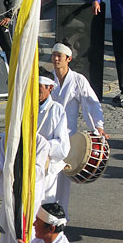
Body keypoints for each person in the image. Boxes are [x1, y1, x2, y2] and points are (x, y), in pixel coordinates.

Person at [49, 41, 108, 217]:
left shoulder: (78, 80)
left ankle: (60, 217)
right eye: (54, 55)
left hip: (68, 138)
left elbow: (91, 103)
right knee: (46, 178)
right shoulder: (46, 79)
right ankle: (43, 216)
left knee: (63, 181)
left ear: (69, 59)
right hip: (46, 137)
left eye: (60, 56)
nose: (56, 59)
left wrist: (98, 126)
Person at [36, 75, 71, 204]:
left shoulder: (57, 110)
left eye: (39, 87)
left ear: (50, 88)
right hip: (26, 165)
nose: (35, 90)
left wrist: (41, 145)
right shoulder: (25, 106)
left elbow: (63, 147)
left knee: (44, 207)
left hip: (47, 167)